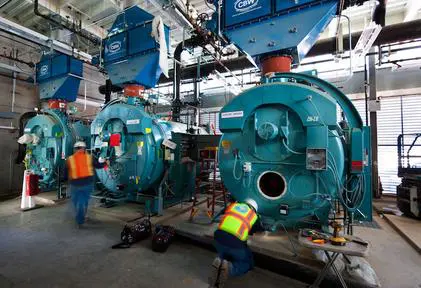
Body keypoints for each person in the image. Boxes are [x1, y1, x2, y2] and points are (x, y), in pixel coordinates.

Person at [209, 199, 263, 288]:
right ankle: (230, 269)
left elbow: (224, 212)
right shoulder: (254, 215)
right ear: (254, 209)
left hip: (218, 238)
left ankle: (220, 260)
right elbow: (257, 229)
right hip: (235, 242)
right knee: (245, 262)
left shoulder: (233, 206)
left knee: (224, 252)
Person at [66, 141, 106, 227]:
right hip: (87, 184)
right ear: (84, 149)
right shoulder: (89, 158)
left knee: (77, 202)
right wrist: (105, 163)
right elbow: (98, 165)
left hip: (74, 184)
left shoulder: (70, 159)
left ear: (75, 149)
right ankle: (81, 217)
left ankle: (80, 217)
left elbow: (64, 172)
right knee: (84, 201)